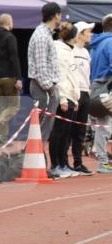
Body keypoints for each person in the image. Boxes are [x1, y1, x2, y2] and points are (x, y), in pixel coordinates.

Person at [47, 23, 81, 178]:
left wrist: (76, 96)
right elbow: (59, 76)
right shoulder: (59, 51)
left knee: (66, 133)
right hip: (64, 96)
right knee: (58, 132)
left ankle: (62, 163)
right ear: (74, 36)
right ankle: (55, 164)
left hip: (71, 96)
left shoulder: (69, 50)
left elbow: (72, 76)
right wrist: (63, 98)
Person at [27, 1, 62, 143]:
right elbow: (41, 68)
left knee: (43, 128)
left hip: (44, 87)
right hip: (43, 88)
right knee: (41, 130)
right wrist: (51, 89)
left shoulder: (44, 34)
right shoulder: (42, 36)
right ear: (56, 16)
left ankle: (37, 156)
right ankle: (35, 157)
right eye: (60, 15)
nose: (61, 18)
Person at [0, 13, 23, 143]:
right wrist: (18, 78)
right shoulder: (10, 37)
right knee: (14, 106)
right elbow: (14, 58)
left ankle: (2, 137)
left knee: (3, 107)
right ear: (9, 22)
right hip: (9, 77)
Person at [70, 21, 94, 175]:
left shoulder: (86, 52)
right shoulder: (71, 51)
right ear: (79, 34)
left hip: (86, 93)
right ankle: (62, 163)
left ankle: (78, 163)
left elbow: (88, 74)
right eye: (88, 32)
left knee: (81, 130)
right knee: (68, 130)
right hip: (74, 93)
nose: (90, 34)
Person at [90, 13, 112, 173]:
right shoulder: (110, 42)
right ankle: (102, 160)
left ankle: (102, 160)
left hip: (95, 86)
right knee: (104, 125)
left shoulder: (96, 43)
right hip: (107, 86)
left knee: (102, 124)